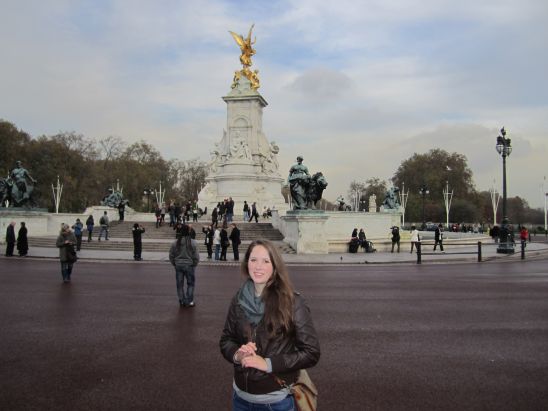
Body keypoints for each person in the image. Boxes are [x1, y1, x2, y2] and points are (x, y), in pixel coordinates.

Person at [219, 240, 320, 410]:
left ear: (275, 266)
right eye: (253, 260)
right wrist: (237, 354)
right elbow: (226, 339)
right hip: (240, 397)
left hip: (275, 402)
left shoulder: (293, 302)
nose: (258, 266)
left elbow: (312, 352)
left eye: (266, 261)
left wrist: (268, 363)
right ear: (246, 263)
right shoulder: (238, 300)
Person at [169, 224, 200, 307]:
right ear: (189, 231)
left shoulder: (175, 242)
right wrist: (194, 264)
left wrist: (174, 263)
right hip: (189, 265)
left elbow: (171, 255)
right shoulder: (192, 242)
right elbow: (196, 256)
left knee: (179, 284)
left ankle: (182, 300)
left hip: (178, 265)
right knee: (190, 284)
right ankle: (189, 301)